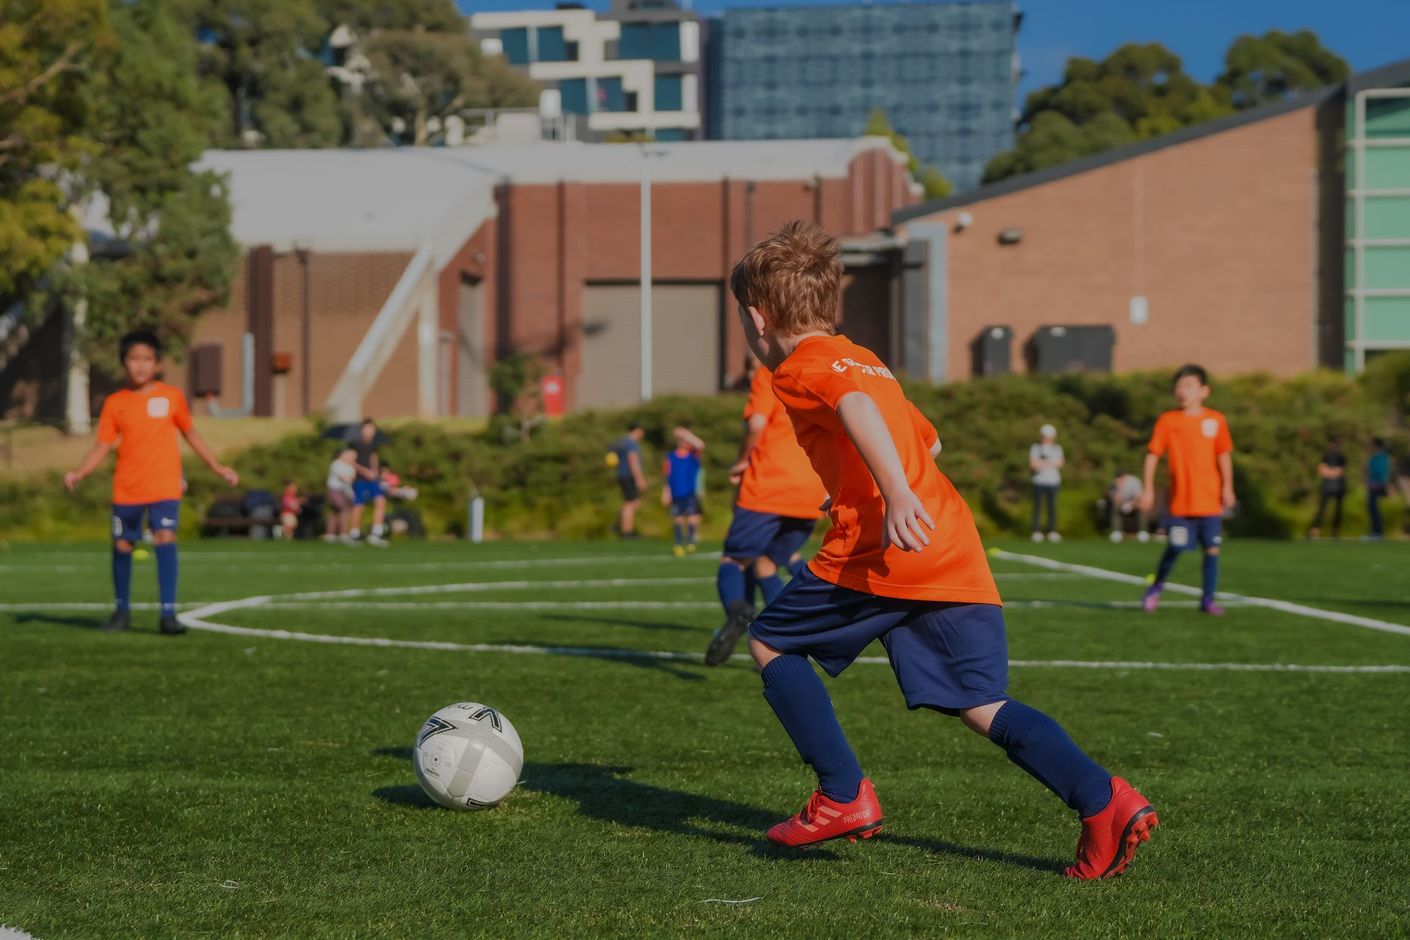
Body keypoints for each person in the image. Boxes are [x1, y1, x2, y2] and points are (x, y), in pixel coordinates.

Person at [729, 221, 1156, 879]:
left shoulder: (801, 368)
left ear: (758, 318)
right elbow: (928, 442)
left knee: (771, 642)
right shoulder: (862, 356)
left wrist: (892, 495)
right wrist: (865, 485)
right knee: (979, 701)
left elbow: (859, 416)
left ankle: (842, 794)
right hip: (948, 545)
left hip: (886, 552)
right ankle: (1104, 801)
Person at [62, 330, 240, 634]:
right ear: (124, 364)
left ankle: (168, 614)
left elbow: (191, 433)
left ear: (157, 364)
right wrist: (81, 472)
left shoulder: (171, 397)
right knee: (122, 544)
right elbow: (103, 444)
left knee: (165, 539)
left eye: (147, 359)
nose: (140, 365)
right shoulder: (115, 403)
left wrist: (216, 466)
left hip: (164, 487)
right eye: (134, 359)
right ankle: (121, 611)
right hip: (127, 489)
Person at [706, 358, 829, 667]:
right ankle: (786, 641)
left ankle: (737, 611)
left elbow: (756, 423)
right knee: (767, 564)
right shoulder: (817, 375)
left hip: (769, 486)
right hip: (810, 491)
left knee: (734, 560)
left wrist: (741, 459)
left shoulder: (769, 373)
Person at [1139, 365, 1236, 616]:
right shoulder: (1168, 421)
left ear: (1204, 391)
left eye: (1189, 386)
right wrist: (1148, 489)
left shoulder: (1216, 420)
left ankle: (1207, 599)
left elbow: (1224, 455)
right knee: (1177, 546)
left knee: (1212, 550)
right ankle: (1156, 586)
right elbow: (1153, 455)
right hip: (1181, 504)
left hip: (1210, 501)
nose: (1182, 391)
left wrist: (1228, 487)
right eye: (1179, 386)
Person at [661, 426, 705, 557]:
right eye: (681, 440)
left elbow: (700, 445)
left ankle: (691, 542)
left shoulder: (693, 455)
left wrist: (686, 433)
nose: (683, 442)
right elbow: (667, 476)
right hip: (675, 492)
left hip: (690, 492)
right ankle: (678, 544)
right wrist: (666, 492)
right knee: (678, 519)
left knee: (691, 517)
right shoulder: (670, 457)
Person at [350, 418, 388, 547]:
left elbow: (373, 459)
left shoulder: (373, 444)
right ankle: (354, 534)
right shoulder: (355, 444)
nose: (370, 431)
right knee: (359, 505)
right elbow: (351, 461)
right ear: (362, 430)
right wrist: (365, 472)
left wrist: (376, 473)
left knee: (381, 501)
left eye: (372, 428)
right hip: (360, 479)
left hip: (373, 480)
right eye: (367, 428)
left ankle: (376, 533)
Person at [609, 424, 647, 538]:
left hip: (622, 475)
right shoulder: (631, 443)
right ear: (638, 430)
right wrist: (640, 479)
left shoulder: (622, 441)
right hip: (629, 476)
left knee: (632, 502)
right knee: (631, 503)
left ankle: (618, 524)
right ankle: (627, 532)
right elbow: (633, 461)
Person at [1029, 424, 1064, 542]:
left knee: (1052, 507)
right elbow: (1033, 464)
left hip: (1053, 482)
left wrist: (1042, 462)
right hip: (1039, 481)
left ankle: (1052, 531)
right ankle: (1036, 531)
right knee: (1038, 507)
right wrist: (1050, 462)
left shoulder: (1057, 448)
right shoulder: (1036, 447)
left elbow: (1060, 463)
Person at [1308, 438, 1347, 539]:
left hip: (1339, 487)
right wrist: (1333, 472)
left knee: (1338, 510)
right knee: (1321, 509)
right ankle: (1315, 530)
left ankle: (1335, 531)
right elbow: (1322, 471)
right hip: (1326, 487)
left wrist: (1329, 471)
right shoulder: (1326, 456)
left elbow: (1340, 472)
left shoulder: (1341, 458)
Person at [1104, 469, 1149, 543]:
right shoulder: (1113, 484)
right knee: (1115, 507)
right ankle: (1116, 531)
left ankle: (1143, 531)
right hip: (1122, 502)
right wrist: (1119, 488)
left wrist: (1130, 505)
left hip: (1134, 502)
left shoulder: (1134, 481)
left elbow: (1139, 497)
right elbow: (1116, 500)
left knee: (1142, 507)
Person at [324, 448, 358, 543]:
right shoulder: (336, 464)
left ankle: (330, 533)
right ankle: (342, 533)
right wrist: (350, 477)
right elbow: (343, 478)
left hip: (345, 491)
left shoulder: (350, 467)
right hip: (335, 490)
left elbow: (351, 479)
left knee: (335, 511)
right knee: (342, 508)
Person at [1366, 437, 1391, 540]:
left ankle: (1377, 532)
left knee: (1374, 509)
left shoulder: (1381, 457)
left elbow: (1381, 473)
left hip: (1377, 486)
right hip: (1372, 486)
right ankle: (1375, 531)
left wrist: (1385, 486)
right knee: (1372, 509)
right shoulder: (1374, 457)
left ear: (1377, 446)